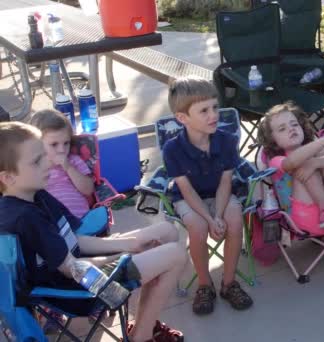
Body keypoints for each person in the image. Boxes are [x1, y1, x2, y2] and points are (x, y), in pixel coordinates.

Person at [0, 122, 187, 342]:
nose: (47, 163)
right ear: (8, 178)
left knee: (166, 231)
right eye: (36, 161)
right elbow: (72, 268)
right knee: (175, 254)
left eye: (43, 155)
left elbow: (75, 240)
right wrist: (122, 256)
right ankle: (142, 337)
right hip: (82, 289)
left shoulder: (37, 195)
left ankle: (144, 323)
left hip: (82, 268)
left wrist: (128, 244)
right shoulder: (26, 217)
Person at [162, 76, 252, 316]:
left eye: (215, 107)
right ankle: (204, 284)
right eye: (203, 111)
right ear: (182, 118)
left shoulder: (227, 140)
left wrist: (219, 215)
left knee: (234, 219)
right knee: (198, 226)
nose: (213, 115)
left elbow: (225, 182)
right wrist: (211, 220)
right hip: (188, 198)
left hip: (219, 193)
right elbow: (186, 190)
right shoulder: (172, 149)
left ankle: (228, 282)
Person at [257, 102, 324, 235]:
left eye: (294, 124)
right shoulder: (275, 160)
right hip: (306, 220)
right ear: (272, 139)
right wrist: (322, 141)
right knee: (304, 163)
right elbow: (291, 163)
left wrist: (317, 162)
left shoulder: (316, 150)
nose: (291, 129)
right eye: (282, 129)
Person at [30, 109, 94, 218]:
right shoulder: (32, 167)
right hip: (50, 222)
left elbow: (88, 190)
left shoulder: (74, 161)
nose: (61, 150)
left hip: (80, 218)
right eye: (54, 144)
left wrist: (68, 167)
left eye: (66, 143)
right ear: (37, 144)